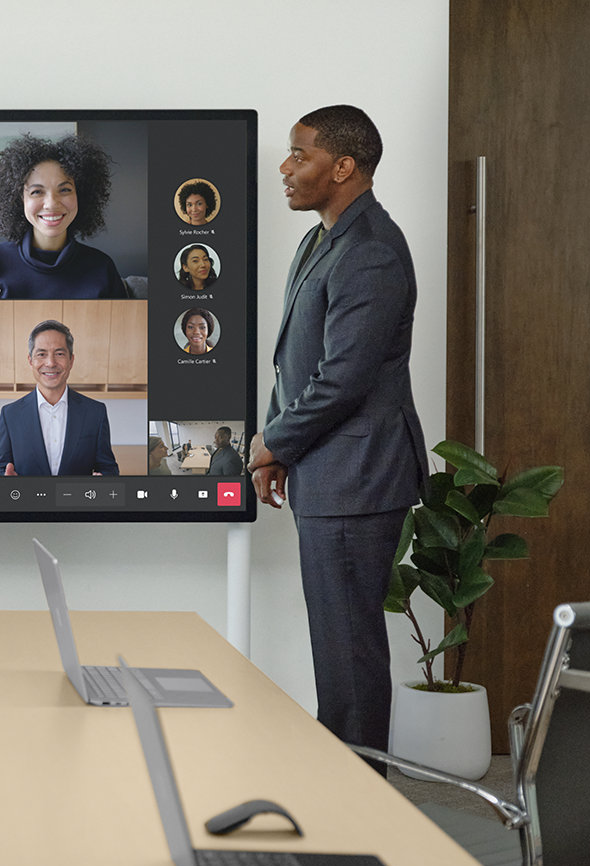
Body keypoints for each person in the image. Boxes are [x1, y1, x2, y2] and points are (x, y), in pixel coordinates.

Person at [247, 105, 425, 759]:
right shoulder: (322, 239)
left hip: (357, 480)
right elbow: (294, 357)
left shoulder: (371, 253)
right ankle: (347, 805)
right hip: (325, 473)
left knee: (349, 663)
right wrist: (277, 444)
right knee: (338, 653)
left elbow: (341, 380)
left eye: (301, 155)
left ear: (343, 166)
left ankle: (359, 826)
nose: (286, 167)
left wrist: (270, 444)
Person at [0, 134, 125, 299]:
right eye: (37, 192)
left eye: (64, 190)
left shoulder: (102, 267)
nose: (51, 203)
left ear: (80, 195)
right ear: (20, 199)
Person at [0, 320, 119, 476]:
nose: (51, 363)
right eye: (41, 354)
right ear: (30, 361)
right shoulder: (10, 414)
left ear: (71, 360)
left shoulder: (95, 412)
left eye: (59, 354)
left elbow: (108, 468)